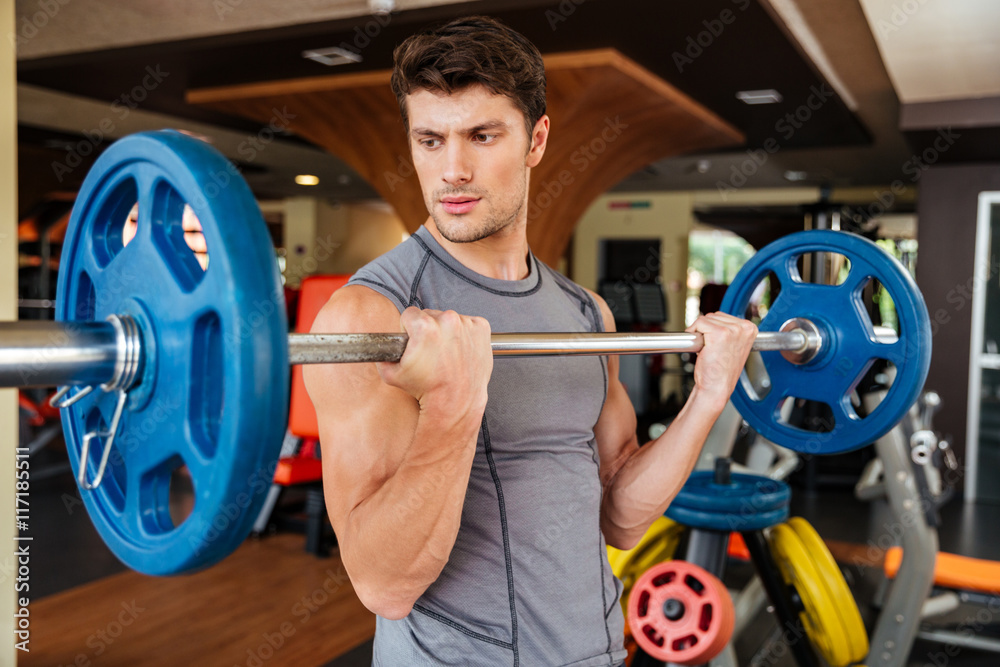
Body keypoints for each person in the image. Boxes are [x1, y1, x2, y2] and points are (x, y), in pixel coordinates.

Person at [303, 15, 757, 666]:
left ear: (536, 139)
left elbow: (622, 516)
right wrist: (453, 410)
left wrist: (709, 397)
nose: (452, 169)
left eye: (482, 135)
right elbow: (383, 582)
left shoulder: (582, 313)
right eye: (430, 140)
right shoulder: (367, 317)